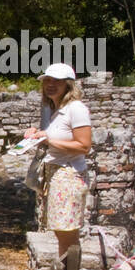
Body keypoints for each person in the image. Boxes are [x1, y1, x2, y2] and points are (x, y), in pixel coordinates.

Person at [24, 62, 93, 258]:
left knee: (66, 233)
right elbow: (53, 135)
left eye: (57, 81)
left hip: (68, 175)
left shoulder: (76, 108)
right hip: (54, 173)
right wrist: (36, 134)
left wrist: (48, 140)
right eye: (47, 81)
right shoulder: (51, 108)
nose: (50, 85)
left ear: (68, 85)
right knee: (59, 230)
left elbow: (84, 146)